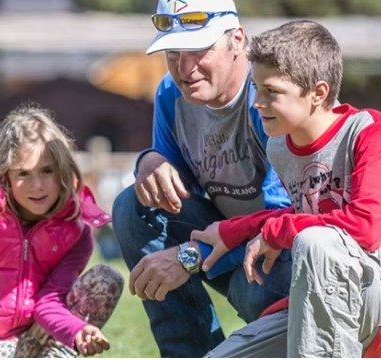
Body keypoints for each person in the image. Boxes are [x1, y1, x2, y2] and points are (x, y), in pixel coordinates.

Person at [196, 20, 381, 357]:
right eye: (255, 88)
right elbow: (306, 212)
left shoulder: (367, 130)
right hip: (321, 297)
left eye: (272, 91)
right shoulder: (280, 147)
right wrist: (234, 230)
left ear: (318, 93)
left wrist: (278, 231)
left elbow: (364, 229)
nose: (256, 102)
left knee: (315, 241)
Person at [112, 0, 294, 356]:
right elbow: (172, 189)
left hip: (285, 251)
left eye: (198, 50)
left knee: (254, 285)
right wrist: (149, 162)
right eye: (173, 53)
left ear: (238, 40)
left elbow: (287, 217)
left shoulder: (269, 99)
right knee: (134, 208)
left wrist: (189, 257)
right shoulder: (170, 94)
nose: (185, 68)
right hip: (228, 242)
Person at [0, 103, 124, 358]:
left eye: (47, 171)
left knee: (107, 278)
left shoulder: (75, 234)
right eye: (23, 173)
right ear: (5, 175)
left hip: (35, 337)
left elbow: (48, 303)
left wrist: (77, 330)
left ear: (63, 170)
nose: (37, 185)